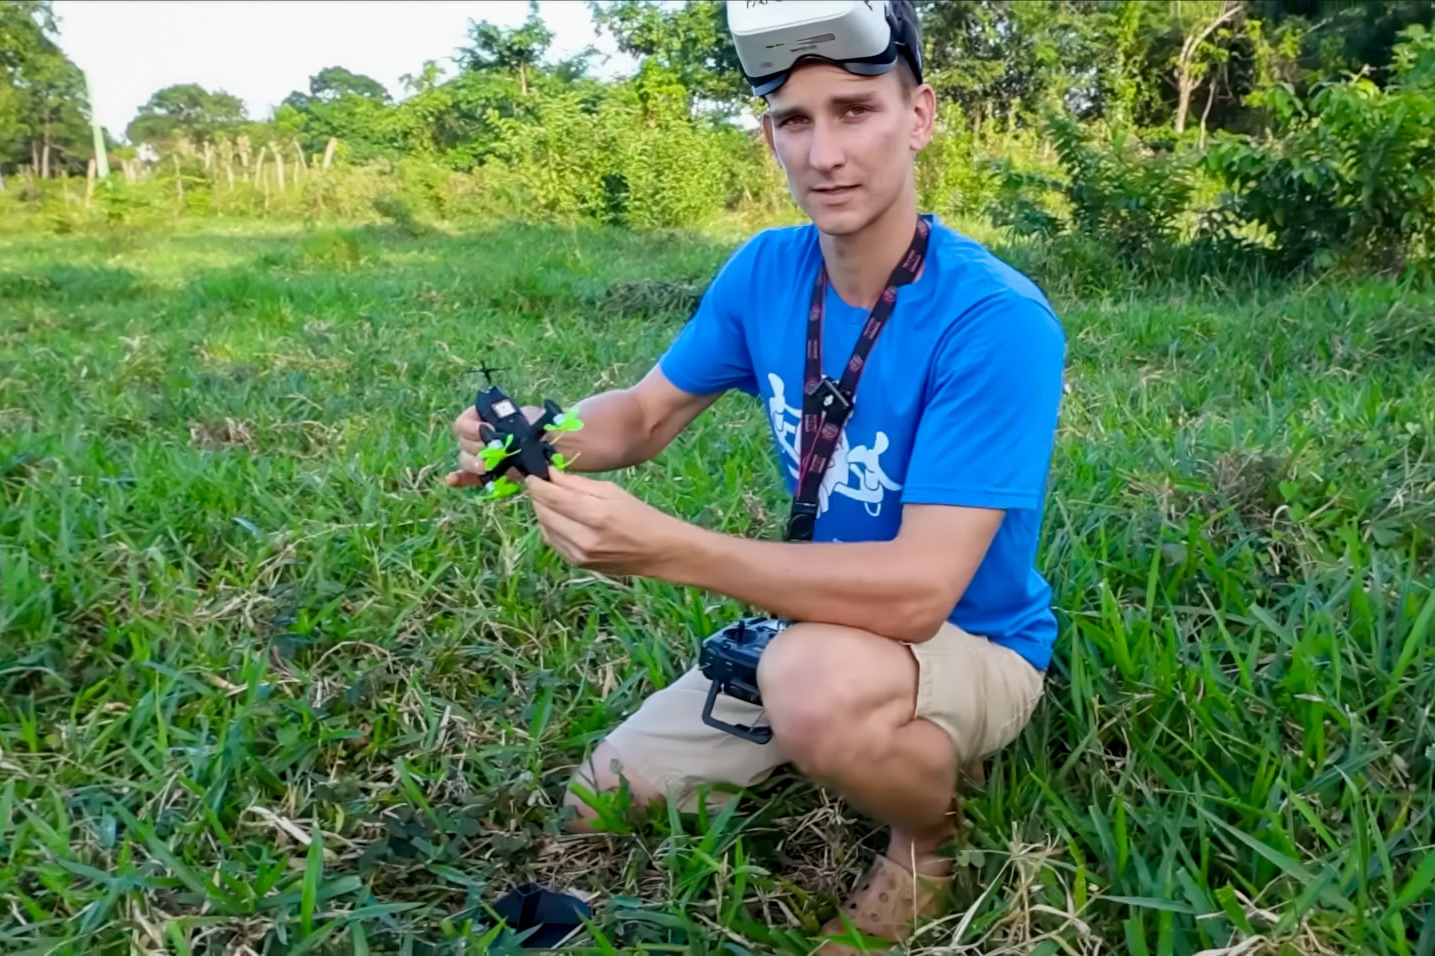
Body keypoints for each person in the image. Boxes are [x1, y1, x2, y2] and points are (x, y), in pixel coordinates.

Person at [446, 2, 1066, 950]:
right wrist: (546, 436)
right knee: (603, 803)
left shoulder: (995, 321)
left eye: (855, 111)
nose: (824, 154)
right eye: (795, 121)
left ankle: (930, 837)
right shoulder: (766, 271)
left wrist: (669, 551)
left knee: (809, 677)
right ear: (767, 136)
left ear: (920, 116)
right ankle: (847, 724)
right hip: (819, 621)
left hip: (969, 638)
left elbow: (916, 593)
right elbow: (646, 414)